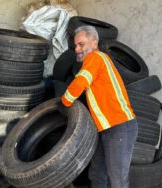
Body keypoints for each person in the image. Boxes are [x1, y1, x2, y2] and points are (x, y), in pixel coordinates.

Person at [60, 25, 138, 188]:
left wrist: (64, 102)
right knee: (97, 174)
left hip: (120, 126)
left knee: (117, 180)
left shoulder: (95, 57)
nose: (77, 49)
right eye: (76, 46)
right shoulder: (95, 61)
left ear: (94, 42)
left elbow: (80, 82)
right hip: (104, 128)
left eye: (81, 44)